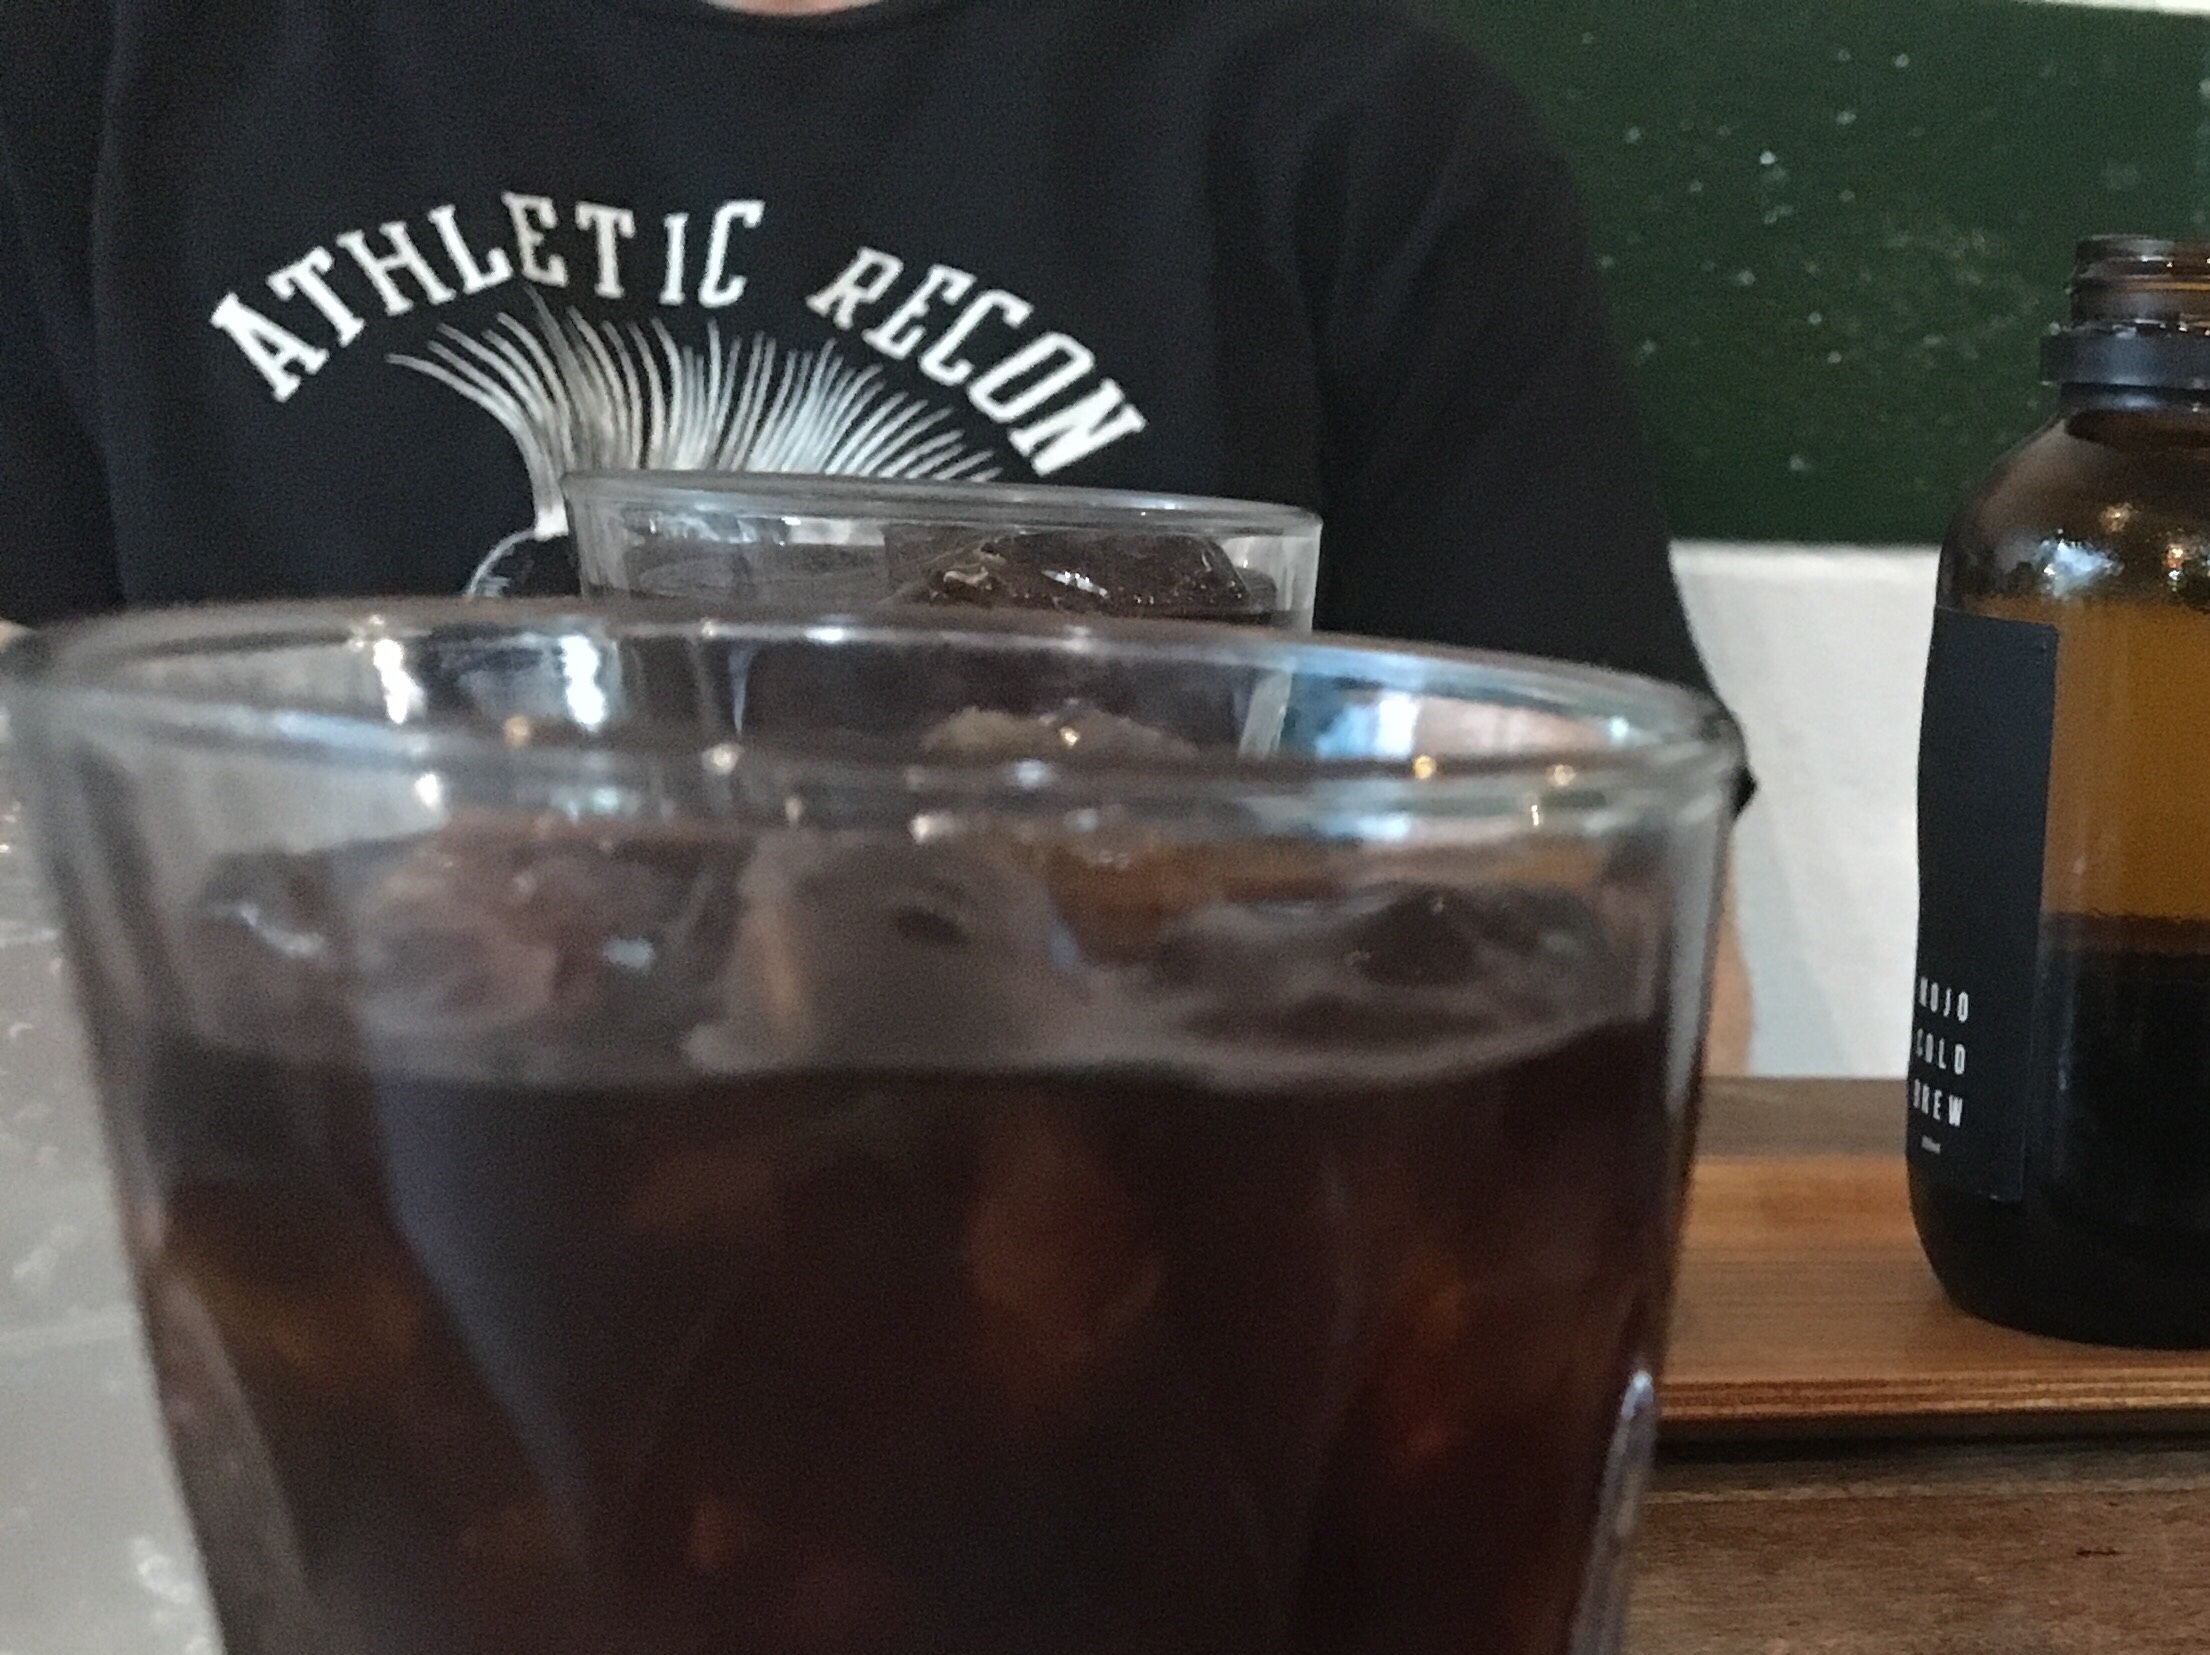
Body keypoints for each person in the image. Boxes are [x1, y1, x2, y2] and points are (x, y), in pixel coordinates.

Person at [0, 0, 1749, 1042]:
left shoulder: (1365, 141)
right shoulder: (85, 78)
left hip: (1124, 1329)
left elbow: (1628, 956)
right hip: (335, 1308)